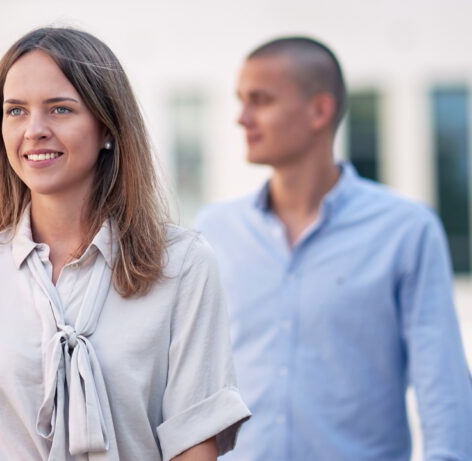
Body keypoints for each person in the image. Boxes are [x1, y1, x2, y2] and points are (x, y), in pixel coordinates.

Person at [0, 27, 250, 461]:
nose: (34, 130)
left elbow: (194, 446)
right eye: (15, 111)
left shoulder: (182, 264)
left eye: (60, 109)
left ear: (108, 127)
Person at [196, 37, 472, 460]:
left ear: (319, 111)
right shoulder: (212, 231)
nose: (242, 118)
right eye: (241, 100)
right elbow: (187, 385)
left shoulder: (405, 230)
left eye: (260, 100)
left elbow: (444, 390)